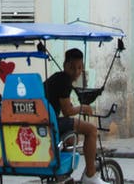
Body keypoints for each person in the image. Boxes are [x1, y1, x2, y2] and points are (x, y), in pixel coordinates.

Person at [44, 48, 103, 184]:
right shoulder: (64, 80)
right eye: (72, 67)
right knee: (91, 130)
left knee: (71, 139)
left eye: (79, 68)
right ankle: (90, 175)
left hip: (47, 121)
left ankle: (64, 175)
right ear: (65, 65)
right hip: (51, 122)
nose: (76, 72)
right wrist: (83, 108)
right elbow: (68, 111)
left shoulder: (58, 77)